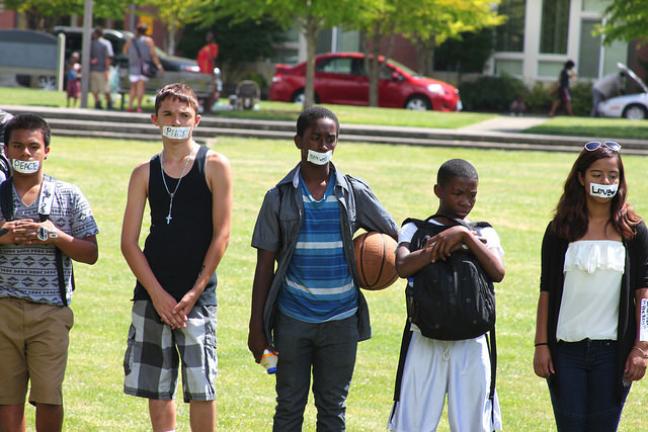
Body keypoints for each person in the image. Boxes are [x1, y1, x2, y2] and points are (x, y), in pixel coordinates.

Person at [248, 106, 398, 431]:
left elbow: (394, 236)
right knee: (289, 407)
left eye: (330, 139)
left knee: (332, 409)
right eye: (315, 138)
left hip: (342, 322)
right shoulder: (278, 197)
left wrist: (380, 259)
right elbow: (264, 267)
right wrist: (257, 329)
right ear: (298, 141)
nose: (322, 146)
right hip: (291, 321)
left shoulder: (353, 192)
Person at [121, 83, 232, 432]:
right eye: (168, 114)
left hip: (196, 297)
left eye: (184, 115)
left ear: (196, 120)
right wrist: (157, 294)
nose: (176, 121)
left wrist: (193, 293)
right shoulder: (144, 172)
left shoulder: (214, 165)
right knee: (158, 388)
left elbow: (222, 235)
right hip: (152, 294)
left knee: (201, 388)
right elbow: (128, 242)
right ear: (155, 120)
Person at [533, 141, 648, 431]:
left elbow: (644, 294)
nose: (605, 181)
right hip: (565, 353)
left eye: (612, 175)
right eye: (597, 174)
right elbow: (546, 290)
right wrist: (541, 344)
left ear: (621, 181)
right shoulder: (560, 229)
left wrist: (641, 348)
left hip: (613, 354)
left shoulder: (634, 231)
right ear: (582, 178)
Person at [388, 159, 506, 432]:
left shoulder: (483, 232)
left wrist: (464, 236)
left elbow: (498, 272)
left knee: (474, 424)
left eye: (472, 195)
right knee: (413, 423)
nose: (466, 201)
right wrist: (437, 247)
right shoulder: (415, 229)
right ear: (438, 190)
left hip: (472, 341)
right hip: (425, 339)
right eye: (458, 193)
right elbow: (403, 266)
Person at [0, 114, 99, 432]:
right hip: (3, 309)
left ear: (47, 151)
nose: (25, 154)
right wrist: (5, 236)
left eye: (33, 146)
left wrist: (54, 235)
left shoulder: (68, 195)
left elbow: (91, 253)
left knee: (49, 397)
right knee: (6, 399)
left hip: (51, 311)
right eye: (18, 146)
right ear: (5, 150)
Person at [123, 24, 163, 113]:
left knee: (133, 87)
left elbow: (125, 51)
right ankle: (138, 107)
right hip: (144, 67)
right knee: (141, 86)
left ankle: (129, 106)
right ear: (146, 31)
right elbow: (153, 54)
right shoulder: (148, 40)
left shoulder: (131, 40)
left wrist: (132, 55)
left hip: (133, 66)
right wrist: (159, 65)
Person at [89, 27, 114, 110]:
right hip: (99, 69)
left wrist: (106, 70)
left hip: (98, 69)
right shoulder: (105, 43)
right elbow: (108, 57)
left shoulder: (96, 43)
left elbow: (107, 57)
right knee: (101, 89)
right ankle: (103, 103)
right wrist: (107, 69)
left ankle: (104, 103)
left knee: (99, 89)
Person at [196, 32, 220, 113]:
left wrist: (212, 73)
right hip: (203, 73)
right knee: (204, 90)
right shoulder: (206, 47)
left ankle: (208, 109)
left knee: (209, 91)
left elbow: (213, 59)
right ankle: (205, 108)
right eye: (207, 36)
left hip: (208, 73)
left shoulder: (213, 47)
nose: (207, 38)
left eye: (209, 36)